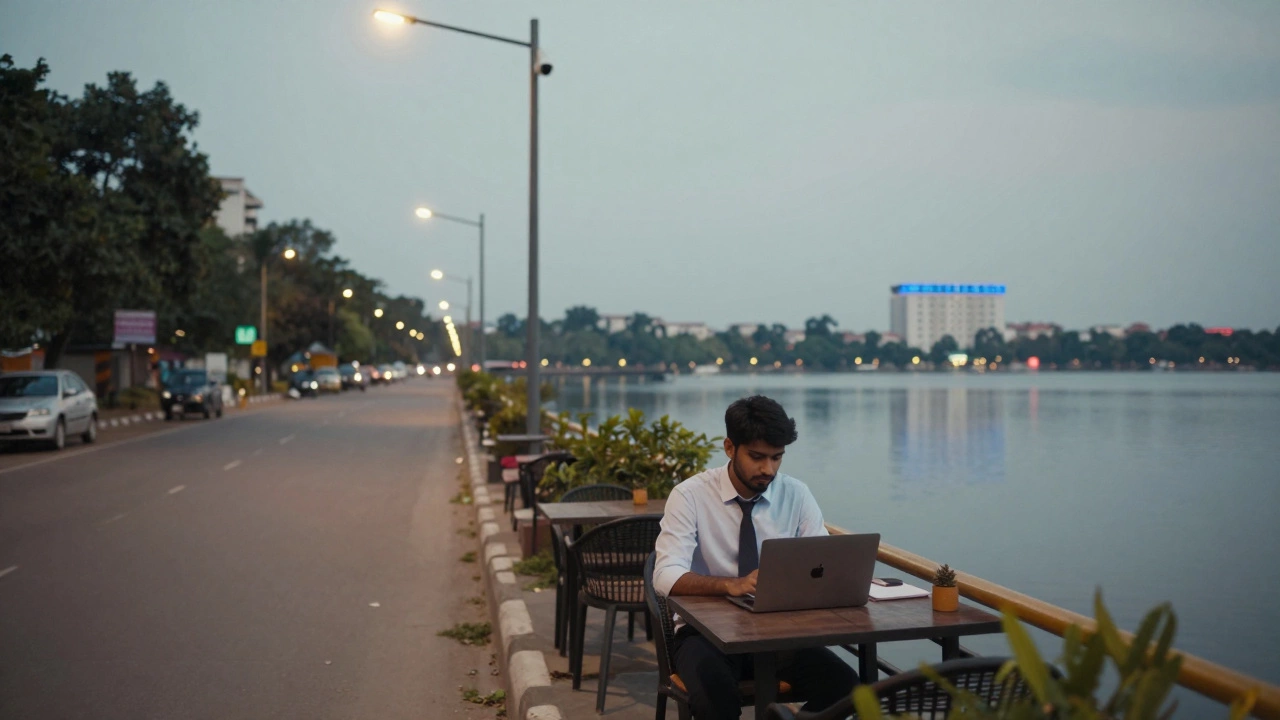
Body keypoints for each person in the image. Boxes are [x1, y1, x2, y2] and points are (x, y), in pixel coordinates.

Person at [653, 395, 857, 719]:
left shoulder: (796, 494)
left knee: (849, 689)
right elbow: (664, 575)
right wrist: (730, 585)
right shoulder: (689, 496)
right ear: (730, 448)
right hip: (704, 633)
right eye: (757, 457)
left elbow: (821, 562)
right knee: (713, 699)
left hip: (779, 633)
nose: (768, 469)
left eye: (777, 458)